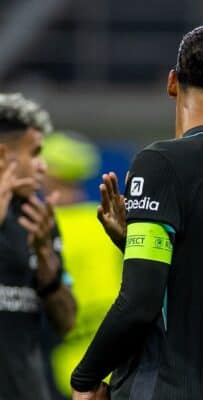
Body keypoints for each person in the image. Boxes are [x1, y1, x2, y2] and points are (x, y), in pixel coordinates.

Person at [70, 23, 203, 399]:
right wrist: (131, 243)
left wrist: (85, 379)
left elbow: (140, 302)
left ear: (172, 82)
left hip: (165, 386)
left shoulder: (161, 164)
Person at [0, 93, 76, 400]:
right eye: (35, 153)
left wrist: (46, 260)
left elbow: (66, 322)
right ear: (3, 155)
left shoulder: (37, 219)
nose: (43, 167)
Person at [40, 131, 123, 398]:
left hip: (59, 364)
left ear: (48, 173)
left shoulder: (41, 228)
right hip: (113, 360)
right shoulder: (105, 222)